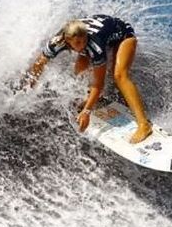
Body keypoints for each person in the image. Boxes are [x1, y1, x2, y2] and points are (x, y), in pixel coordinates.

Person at [25, 14, 152, 144]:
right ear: (67, 40)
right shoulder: (56, 42)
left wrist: (87, 111)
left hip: (123, 33)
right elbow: (39, 64)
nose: (82, 44)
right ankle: (92, 97)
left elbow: (99, 83)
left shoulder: (93, 44)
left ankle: (144, 125)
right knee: (80, 69)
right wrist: (28, 87)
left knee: (119, 76)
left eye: (84, 41)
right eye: (78, 43)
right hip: (102, 30)